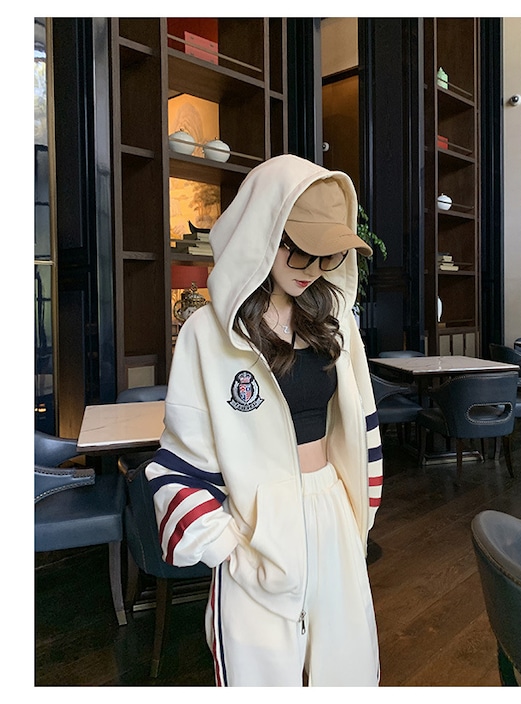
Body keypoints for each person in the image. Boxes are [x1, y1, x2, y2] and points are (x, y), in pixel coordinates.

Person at [144, 154, 384, 686]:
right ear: (263, 230)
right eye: (296, 248)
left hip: (332, 507)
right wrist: (225, 545)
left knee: (346, 669)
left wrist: (358, 515)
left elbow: (362, 421)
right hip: (254, 524)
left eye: (326, 254)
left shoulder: (336, 321)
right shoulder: (207, 333)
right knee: (259, 674)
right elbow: (181, 455)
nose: (310, 268)